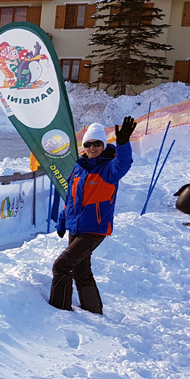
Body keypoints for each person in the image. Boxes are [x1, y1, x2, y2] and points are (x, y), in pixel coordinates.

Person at [50, 117, 135, 314]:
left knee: (61, 266)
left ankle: (59, 310)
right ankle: (93, 310)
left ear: (103, 145)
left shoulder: (109, 168)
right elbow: (71, 198)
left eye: (97, 143)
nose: (92, 147)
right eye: (88, 144)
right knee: (81, 269)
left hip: (94, 228)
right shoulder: (79, 168)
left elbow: (123, 164)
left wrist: (122, 144)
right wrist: (63, 222)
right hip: (76, 226)